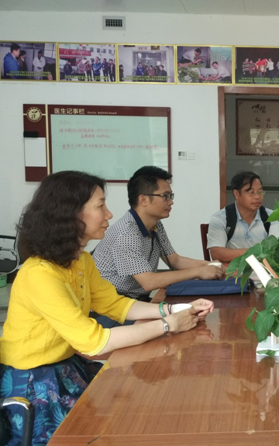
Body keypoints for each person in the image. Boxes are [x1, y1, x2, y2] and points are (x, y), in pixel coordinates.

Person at [0, 171, 214, 445]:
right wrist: (167, 324)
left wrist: (174, 310)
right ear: (70, 214)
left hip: (64, 366)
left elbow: (114, 304)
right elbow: (93, 343)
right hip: (34, 380)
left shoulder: (81, 261)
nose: (109, 214)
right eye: (100, 206)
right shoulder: (39, 274)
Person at [93, 166, 223, 322]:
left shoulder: (155, 225)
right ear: (143, 200)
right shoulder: (126, 233)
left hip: (135, 303)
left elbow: (175, 260)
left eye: (170, 196)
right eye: (165, 196)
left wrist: (211, 265)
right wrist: (199, 271)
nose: (171, 201)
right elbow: (149, 282)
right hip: (110, 310)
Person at [207, 171, 279, 263]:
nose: (257, 197)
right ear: (236, 194)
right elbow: (217, 253)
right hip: (233, 270)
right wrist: (255, 252)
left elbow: (278, 250)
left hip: (264, 269)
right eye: (251, 192)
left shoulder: (272, 217)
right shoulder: (220, 218)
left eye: (260, 192)